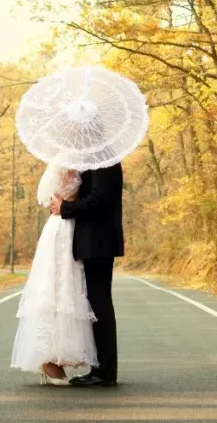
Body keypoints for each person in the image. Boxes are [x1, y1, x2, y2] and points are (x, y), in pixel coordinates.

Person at [10, 163, 97, 386]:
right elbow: (65, 194)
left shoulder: (78, 161)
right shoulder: (64, 162)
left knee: (68, 288)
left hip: (71, 225)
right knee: (55, 289)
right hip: (62, 229)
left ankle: (55, 358)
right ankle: (48, 359)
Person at [50, 162, 124, 387]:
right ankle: (101, 369)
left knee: (100, 304)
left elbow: (100, 200)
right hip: (92, 241)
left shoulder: (105, 161)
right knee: (97, 303)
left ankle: (104, 372)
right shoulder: (95, 160)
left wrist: (66, 208)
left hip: (98, 241)